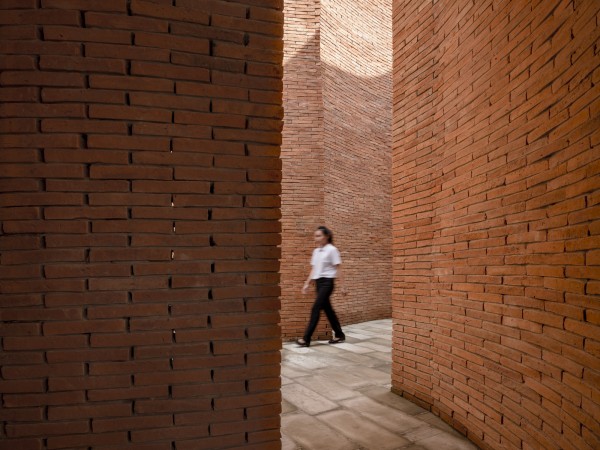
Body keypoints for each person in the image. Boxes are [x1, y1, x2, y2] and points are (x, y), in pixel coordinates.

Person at [296, 226, 346, 347]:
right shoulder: (316, 251)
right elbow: (314, 269)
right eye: (315, 236)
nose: (316, 238)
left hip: (327, 283)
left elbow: (338, 268)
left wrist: (343, 286)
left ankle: (306, 339)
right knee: (328, 310)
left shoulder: (332, 250)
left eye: (319, 236)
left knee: (316, 308)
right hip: (318, 283)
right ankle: (339, 335)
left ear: (327, 236)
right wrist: (307, 283)